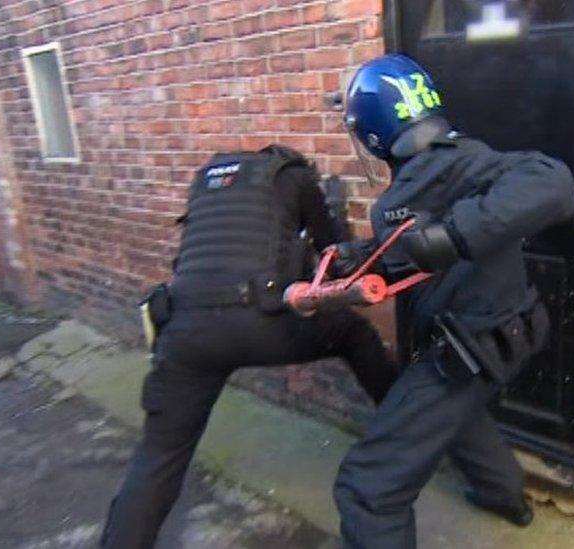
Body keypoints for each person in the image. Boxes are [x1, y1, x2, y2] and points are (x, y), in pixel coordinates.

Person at [330, 54, 574, 549]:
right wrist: (357, 258)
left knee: (367, 487)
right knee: (457, 415)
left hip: (468, 349)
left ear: (374, 131)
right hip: (511, 332)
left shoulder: (467, 164)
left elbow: (555, 183)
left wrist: (451, 237)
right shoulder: (439, 175)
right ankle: (506, 496)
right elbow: (407, 258)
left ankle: (499, 494)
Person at [100, 145, 398, 549]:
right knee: (355, 334)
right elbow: (339, 256)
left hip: (185, 329)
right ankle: (406, 424)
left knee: (158, 457)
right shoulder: (294, 176)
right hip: (261, 322)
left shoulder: (205, 180)